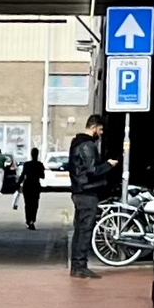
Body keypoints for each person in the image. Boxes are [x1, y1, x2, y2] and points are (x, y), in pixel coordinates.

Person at [65, 115, 113, 278]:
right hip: (87, 191)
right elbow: (92, 170)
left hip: (79, 190)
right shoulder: (87, 145)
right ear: (94, 127)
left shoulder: (76, 143)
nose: (101, 133)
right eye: (100, 130)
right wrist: (108, 165)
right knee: (85, 230)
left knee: (79, 229)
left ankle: (76, 265)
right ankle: (80, 266)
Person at [17, 148, 45, 229]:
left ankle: (28, 220)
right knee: (35, 204)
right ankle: (32, 220)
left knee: (28, 204)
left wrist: (18, 184)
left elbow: (22, 175)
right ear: (37, 154)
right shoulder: (40, 164)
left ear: (31, 154)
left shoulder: (27, 164)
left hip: (27, 185)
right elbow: (42, 176)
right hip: (35, 185)